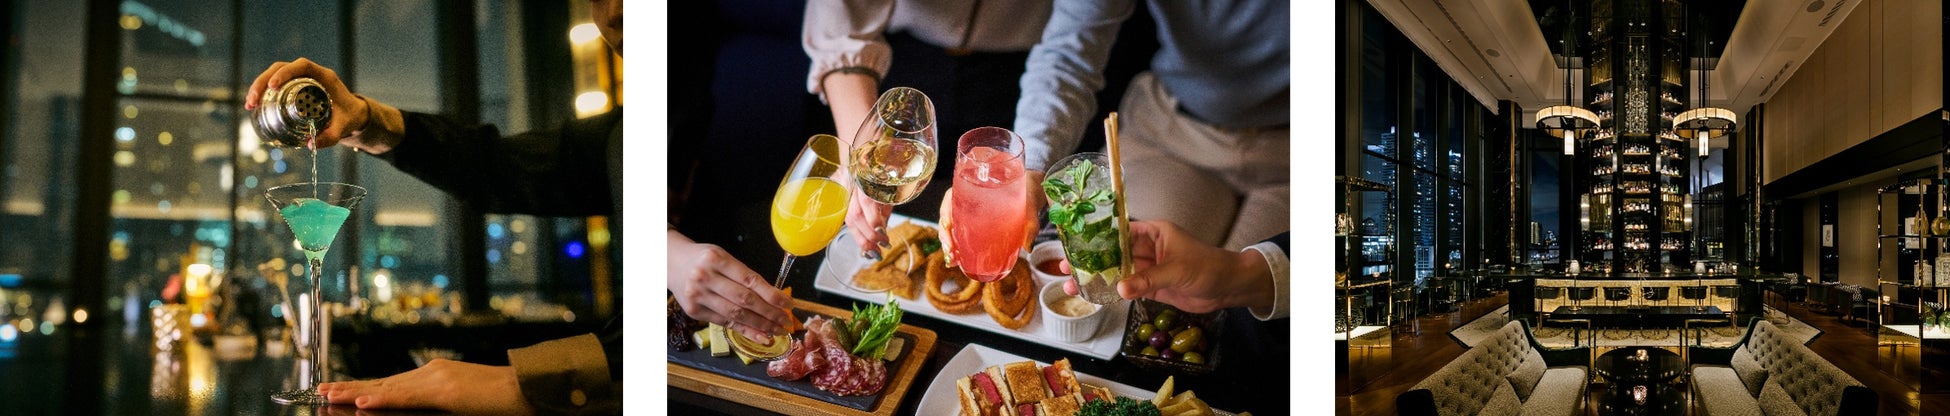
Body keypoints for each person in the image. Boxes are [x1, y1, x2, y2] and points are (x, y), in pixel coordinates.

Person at [244, 0, 783, 413]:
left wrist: (514, 383)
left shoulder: (757, 103)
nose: (613, 13)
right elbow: (495, 167)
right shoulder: (624, 135)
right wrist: (363, 119)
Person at [1010, 0, 1289, 251]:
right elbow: (1068, 54)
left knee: (1246, 290)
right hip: (1170, 135)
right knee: (1122, 268)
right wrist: (1030, 164)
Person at [802, 0, 1053, 255]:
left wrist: (1030, 167)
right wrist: (861, 154)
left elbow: (1068, 49)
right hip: (900, 63)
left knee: (982, 229)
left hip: (1020, 78)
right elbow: (841, 21)